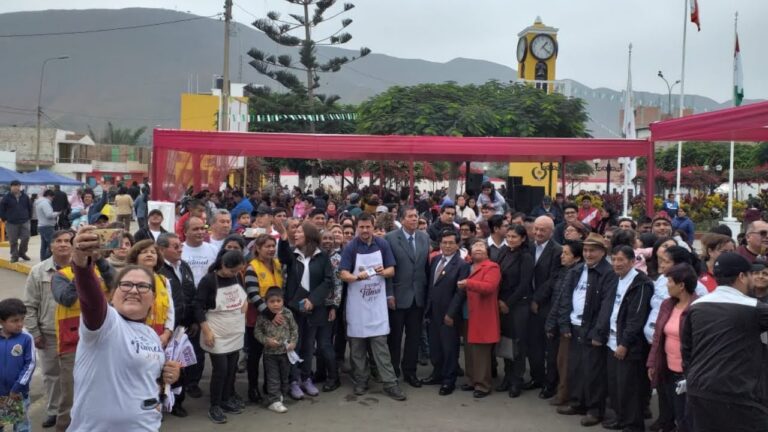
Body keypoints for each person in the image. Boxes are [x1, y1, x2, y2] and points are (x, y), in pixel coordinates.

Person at [64, 227, 180, 431]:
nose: (134, 290)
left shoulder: (152, 335)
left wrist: (170, 374)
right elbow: (91, 299)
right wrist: (82, 263)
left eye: (143, 286)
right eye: (126, 285)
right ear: (112, 295)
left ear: (153, 299)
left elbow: (146, 377)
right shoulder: (105, 324)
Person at [682, 252, 768, 432]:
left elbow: (687, 349)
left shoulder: (697, 306)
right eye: (752, 275)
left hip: (699, 390)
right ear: (742, 277)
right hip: (737, 394)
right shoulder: (754, 309)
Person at [339, 213, 407, 401]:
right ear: (357, 227)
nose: (365, 230)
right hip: (357, 306)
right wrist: (355, 277)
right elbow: (343, 273)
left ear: (373, 225)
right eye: (361, 227)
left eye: (368, 226)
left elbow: (392, 270)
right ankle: (361, 381)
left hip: (377, 305)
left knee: (380, 347)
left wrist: (381, 272)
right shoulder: (350, 248)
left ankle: (390, 383)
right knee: (357, 347)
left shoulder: (382, 244)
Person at [556, 232, 618, 427]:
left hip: (592, 329)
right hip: (574, 326)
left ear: (603, 252)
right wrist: (564, 323)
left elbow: (607, 306)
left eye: (593, 250)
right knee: (575, 368)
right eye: (586, 250)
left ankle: (594, 409)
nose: (588, 254)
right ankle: (577, 402)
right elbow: (565, 297)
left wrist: (599, 332)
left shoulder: (608, 273)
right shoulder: (577, 270)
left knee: (593, 372)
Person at [275, 220, 335, 398]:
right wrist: (284, 238)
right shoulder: (292, 254)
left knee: (309, 345)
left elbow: (328, 281)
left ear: (309, 235)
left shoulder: (322, 256)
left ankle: (305, 378)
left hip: (314, 308)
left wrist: (313, 299)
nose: (296, 234)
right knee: (294, 345)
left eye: (300, 232)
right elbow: (283, 257)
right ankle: (293, 381)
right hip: (294, 308)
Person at [23, 230, 73, 429]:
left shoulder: (82, 269)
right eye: (58, 241)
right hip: (50, 333)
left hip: (78, 334)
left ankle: (72, 412)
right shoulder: (38, 271)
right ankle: (53, 411)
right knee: (52, 375)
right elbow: (29, 304)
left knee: (75, 376)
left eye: (67, 241)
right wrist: (35, 332)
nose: (63, 244)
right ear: (51, 246)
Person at [602, 245, 653, 432]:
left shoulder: (641, 283)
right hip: (611, 341)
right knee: (615, 386)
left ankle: (633, 424)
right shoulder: (614, 279)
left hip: (628, 346)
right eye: (614, 259)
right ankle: (620, 418)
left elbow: (636, 317)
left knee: (630, 388)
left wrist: (624, 343)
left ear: (632, 262)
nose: (616, 263)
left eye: (621, 260)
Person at [194, 249, 248, 424]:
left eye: (238, 271)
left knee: (232, 368)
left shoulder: (237, 276)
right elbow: (198, 307)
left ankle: (226, 399)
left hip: (235, 329)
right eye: (232, 271)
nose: (235, 274)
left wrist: (245, 302)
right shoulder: (209, 280)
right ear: (224, 265)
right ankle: (215, 405)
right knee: (221, 370)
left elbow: (242, 295)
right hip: (216, 331)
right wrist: (206, 331)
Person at [647, 263, 699, 432]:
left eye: (669, 281)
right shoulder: (667, 304)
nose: (666, 285)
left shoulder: (698, 308)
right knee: (670, 409)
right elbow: (658, 337)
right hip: (666, 368)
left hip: (686, 373)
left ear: (681, 285)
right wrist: (653, 362)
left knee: (685, 416)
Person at [384, 206, 430, 387]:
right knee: (394, 337)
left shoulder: (424, 238)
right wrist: (389, 294)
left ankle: (410, 372)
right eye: (410, 216)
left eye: (416, 216)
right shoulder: (390, 238)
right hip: (397, 295)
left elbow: (426, 268)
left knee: (414, 337)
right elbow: (387, 268)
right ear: (402, 219)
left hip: (418, 296)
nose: (414, 219)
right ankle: (393, 371)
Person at [422, 230, 469, 395]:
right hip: (433, 311)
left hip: (449, 314)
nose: (447, 246)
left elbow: (460, 293)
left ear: (457, 245)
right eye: (444, 242)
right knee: (435, 346)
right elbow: (430, 285)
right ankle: (437, 373)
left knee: (449, 348)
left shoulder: (462, 265)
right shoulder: (435, 260)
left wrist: (451, 313)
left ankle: (449, 380)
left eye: (451, 243)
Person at [156, 232, 197, 418]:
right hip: (165, 327)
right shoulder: (157, 271)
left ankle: (178, 402)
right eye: (175, 246)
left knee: (181, 365)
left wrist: (194, 320)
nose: (180, 249)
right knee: (160, 367)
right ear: (162, 250)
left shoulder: (185, 266)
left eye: (180, 245)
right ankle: (158, 403)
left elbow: (192, 294)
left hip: (185, 327)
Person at [459, 240, 501, 398]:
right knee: (469, 349)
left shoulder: (492, 267)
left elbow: (489, 287)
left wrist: (468, 283)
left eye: (481, 247)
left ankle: (483, 385)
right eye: (474, 246)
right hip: (467, 313)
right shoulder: (467, 265)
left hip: (482, 314)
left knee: (481, 351)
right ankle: (471, 379)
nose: (477, 249)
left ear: (487, 252)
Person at [243, 234, 283, 403]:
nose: (271, 249)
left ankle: (270, 386)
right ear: (257, 249)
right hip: (257, 319)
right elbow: (252, 295)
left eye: (273, 246)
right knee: (254, 355)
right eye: (267, 246)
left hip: (276, 316)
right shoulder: (252, 267)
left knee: (272, 354)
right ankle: (253, 388)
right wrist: (270, 314)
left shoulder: (277, 264)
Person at [526, 216, 562, 398]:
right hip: (528, 303)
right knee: (533, 345)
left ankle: (550, 383)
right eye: (536, 229)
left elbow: (554, 279)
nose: (538, 233)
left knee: (550, 347)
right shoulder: (529, 247)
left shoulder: (557, 251)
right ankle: (536, 377)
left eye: (543, 230)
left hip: (547, 304)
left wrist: (537, 299)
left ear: (552, 232)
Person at [495, 224, 534, 397]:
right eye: (508, 236)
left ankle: (516, 380)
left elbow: (524, 284)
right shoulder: (504, 251)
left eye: (514, 237)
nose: (510, 239)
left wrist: (508, 303)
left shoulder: (525, 256)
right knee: (505, 342)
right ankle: (507, 376)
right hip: (501, 302)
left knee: (518, 344)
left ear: (523, 238)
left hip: (518, 305)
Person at [545, 239, 583, 406]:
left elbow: (564, 302)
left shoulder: (576, 274)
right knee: (559, 360)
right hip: (560, 321)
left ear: (577, 258)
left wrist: (558, 323)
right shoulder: (564, 271)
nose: (562, 256)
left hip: (567, 324)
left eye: (566, 254)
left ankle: (564, 395)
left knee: (565, 362)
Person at [254, 287, 299, 414]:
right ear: (266, 302)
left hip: (286, 354)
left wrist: (293, 342)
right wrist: (266, 341)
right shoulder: (263, 316)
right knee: (273, 378)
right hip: (270, 354)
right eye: (272, 301)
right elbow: (257, 332)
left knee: (284, 377)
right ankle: (274, 401)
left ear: (283, 301)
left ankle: (281, 395)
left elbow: (294, 329)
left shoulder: (288, 314)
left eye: (278, 301)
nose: (275, 304)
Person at [126, 240, 175, 344]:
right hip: (134, 335)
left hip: (160, 335)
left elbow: (170, 311)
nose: (149, 254)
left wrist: (167, 333)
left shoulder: (164, 281)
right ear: (135, 257)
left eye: (153, 252)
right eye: (144, 252)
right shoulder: (127, 279)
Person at [0, 298, 35, 432]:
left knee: (21, 427)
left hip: (17, 394)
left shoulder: (26, 338)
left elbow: (30, 364)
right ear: (2, 321)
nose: (20, 324)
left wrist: (17, 388)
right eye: (14, 320)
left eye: (22, 319)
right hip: (0, 393)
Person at [182, 216, 219, 287]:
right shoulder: (179, 249)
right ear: (185, 232)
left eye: (202, 229)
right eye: (195, 229)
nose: (200, 232)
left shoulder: (214, 249)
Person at [0, 180, 32, 263]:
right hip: (11, 222)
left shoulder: (25, 196)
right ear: (11, 187)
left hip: (24, 220)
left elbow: (29, 207)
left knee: (26, 237)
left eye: (18, 186)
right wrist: (4, 219)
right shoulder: (6, 197)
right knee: (13, 240)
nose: (16, 187)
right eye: (14, 186)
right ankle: (14, 256)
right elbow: (2, 209)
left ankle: (22, 252)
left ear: (20, 186)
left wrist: (29, 217)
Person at [36, 190, 60, 261]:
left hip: (42, 226)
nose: (52, 200)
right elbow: (49, 215)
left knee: (44, 245)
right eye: (52, 198)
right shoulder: (45, 203)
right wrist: (57, 213)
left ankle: (43, 260)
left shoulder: (39, 202)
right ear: (49, 196)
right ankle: (47, 259)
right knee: (52, 244)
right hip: (47, 226)